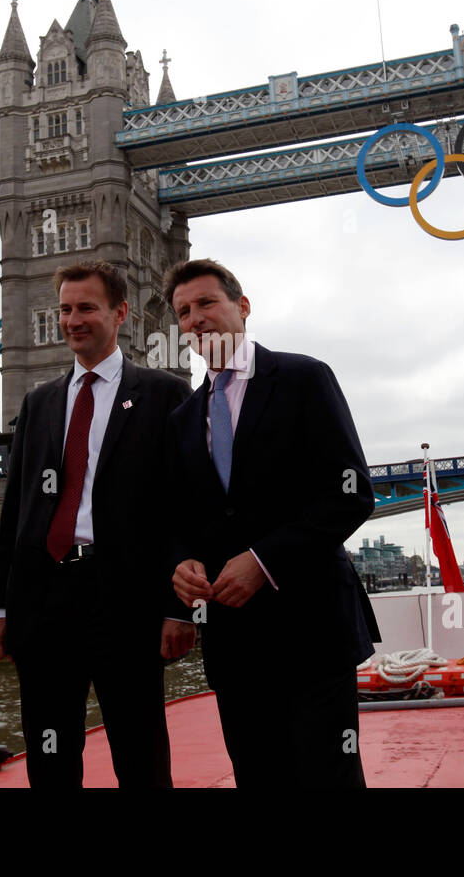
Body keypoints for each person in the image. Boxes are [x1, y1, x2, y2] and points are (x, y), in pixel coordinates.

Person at [165, 258, 380, 788]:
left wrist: (264, 561)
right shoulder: (183, 419)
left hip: (311, 625)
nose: (196, 319)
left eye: (207, 303)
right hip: (233, 636)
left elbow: (351, 492)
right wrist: (182, 564)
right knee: (257, 772)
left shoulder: (304, 376)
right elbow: (183, 518)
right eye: (184, 312)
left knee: (328, 774)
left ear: (242, 306)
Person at [0, 261, 194, 788]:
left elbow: (184, 509)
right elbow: (16, 513)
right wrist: (0, 604)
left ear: (120, 313)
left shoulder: (165, 395)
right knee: (49, 747)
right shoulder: (39, 402)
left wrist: (179, 608)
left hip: (126, 596)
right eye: (64, 310)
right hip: (43, 595)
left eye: (85, 308)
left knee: (139, 746)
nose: (72, 320)